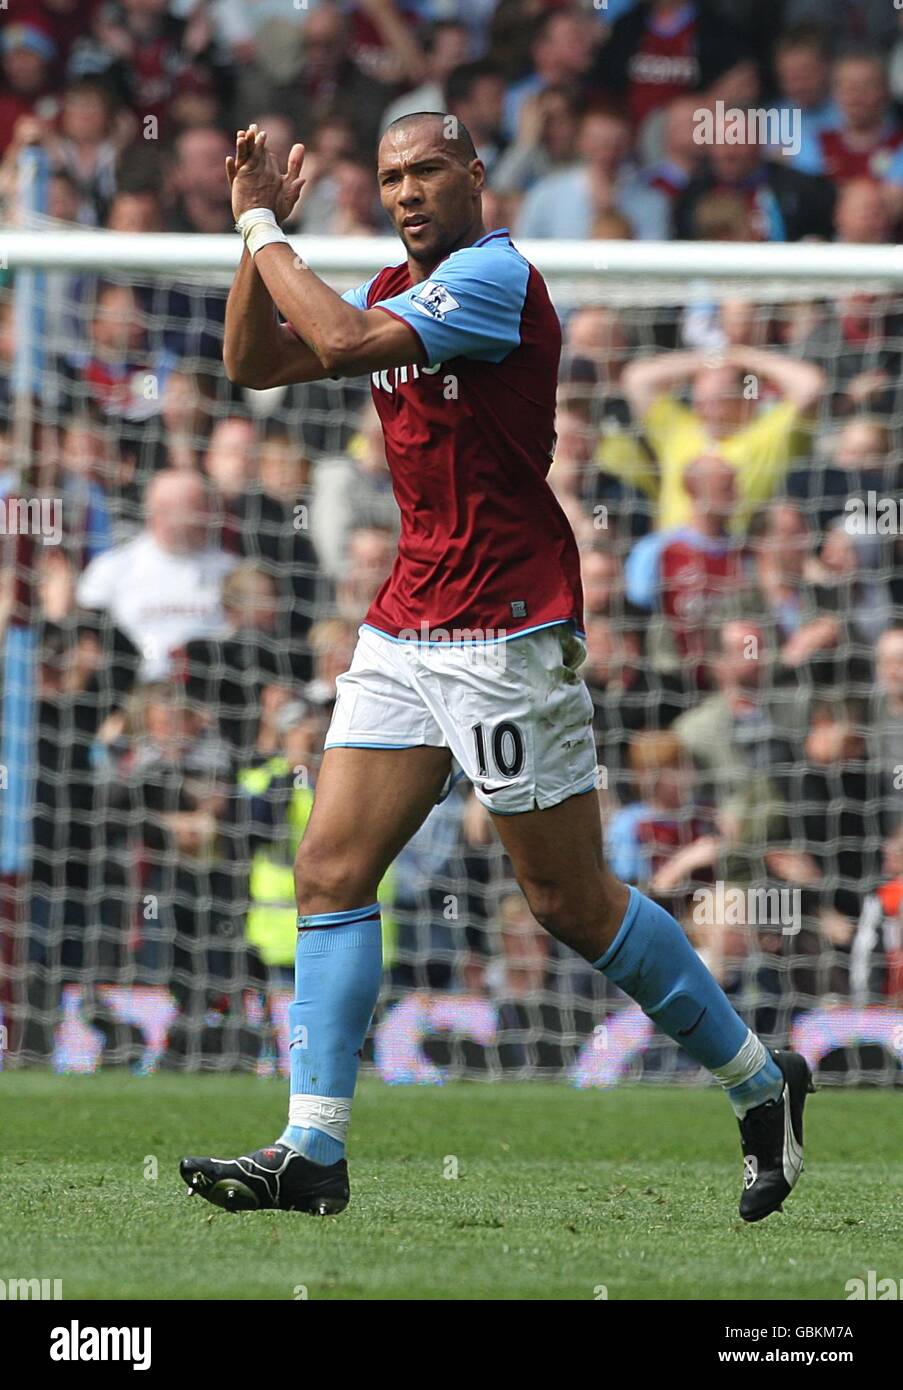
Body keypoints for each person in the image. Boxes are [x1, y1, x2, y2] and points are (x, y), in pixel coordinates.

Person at [179, 112, 814, 1224]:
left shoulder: (494, 281)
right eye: (389, 176)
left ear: (476, 174)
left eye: (427, 170)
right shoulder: (388, 277)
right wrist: (255, 239)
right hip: (404, 624)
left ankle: (762, 1083)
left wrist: (259, 224)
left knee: (569, 899)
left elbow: (329, 346)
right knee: (329, 872)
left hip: (507, 634)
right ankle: (311, 1149)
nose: (408, 191)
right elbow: (252, 363)